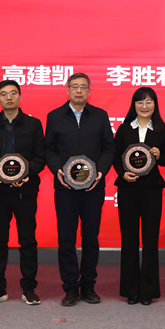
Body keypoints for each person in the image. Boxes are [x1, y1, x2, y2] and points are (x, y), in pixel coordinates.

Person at [45, 73, 115, 306]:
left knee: (90, 237)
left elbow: (109, 148)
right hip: (65, 188)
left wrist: (100, 172)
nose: (78, 90)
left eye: (83, 87)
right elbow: (49, 149)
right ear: (67, 90)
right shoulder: (54, 116)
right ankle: (70, 287)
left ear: (89, 91)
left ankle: (88, 284)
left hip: (93, 188)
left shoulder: (100, 116)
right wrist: (58, 170)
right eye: (74, 86)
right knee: (66, 238)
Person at [0, 80, 45, 305]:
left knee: (27, 240)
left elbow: (40, 156)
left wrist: (28, 173)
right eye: (4, 94)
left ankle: (29, 288)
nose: (9, 97)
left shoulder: (33, 124)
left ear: (20, 97)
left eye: (13, 93)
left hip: (25, 191)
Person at [112, 87, 165, 305]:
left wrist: (159, 154)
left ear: (155, 105)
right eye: (140, 102)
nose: (144, 106)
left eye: (149, 102)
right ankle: (131, 289)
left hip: (152, 189)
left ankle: (148, 290)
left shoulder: (162, 129)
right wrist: (122, 173)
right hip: (128, 189)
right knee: (129, 239)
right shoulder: (124, 128)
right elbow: (115, 156)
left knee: (150, 239)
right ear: (133, 105)